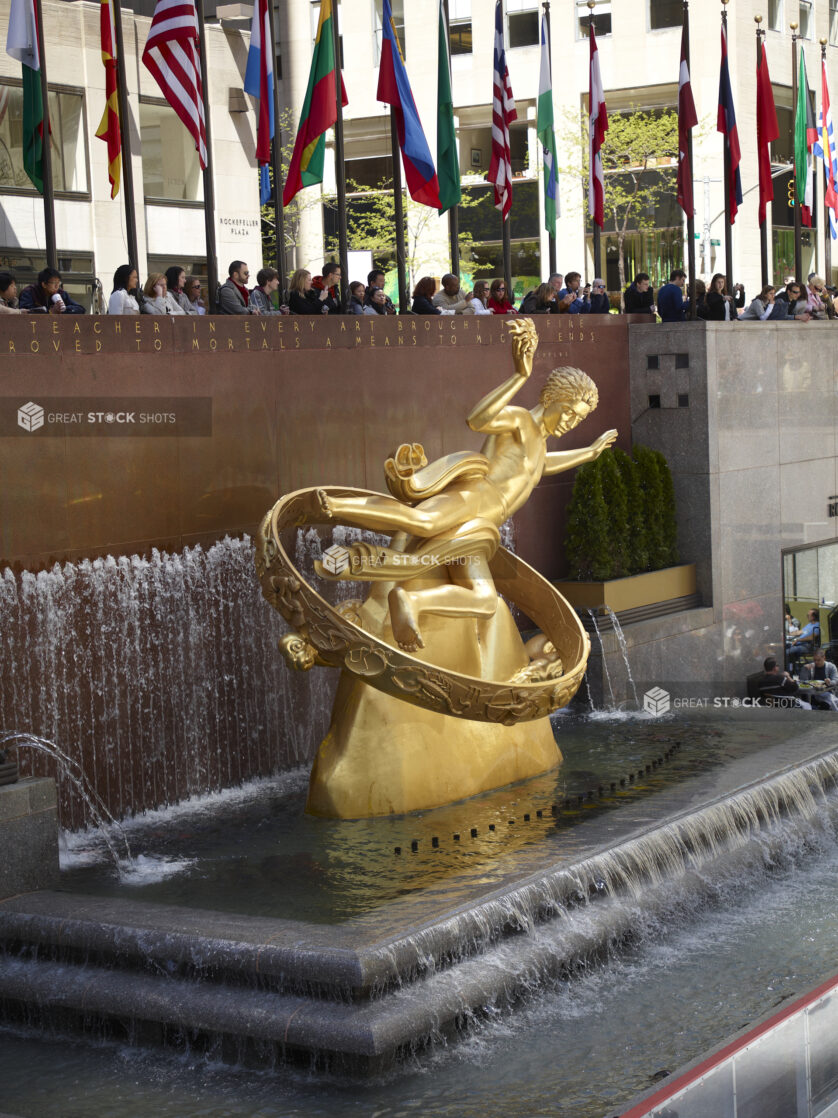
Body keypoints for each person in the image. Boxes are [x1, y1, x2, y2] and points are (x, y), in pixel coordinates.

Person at [318, 318, 617, 651]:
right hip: (474, 498)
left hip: (480, 529)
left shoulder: (540, 445)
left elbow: (543, 467)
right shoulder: (519, 421)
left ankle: (412, 602)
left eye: (577, 419)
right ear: (550, 399)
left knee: (485, 600)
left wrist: (588, 454)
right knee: (421, 520)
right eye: (567, 412)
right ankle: (335, 504)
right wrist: (520, 375)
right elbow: (478, 419)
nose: (569, 422)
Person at [18, 267, 85, 314]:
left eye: (58, 283)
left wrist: (62, 309)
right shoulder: (29, 292)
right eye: (54, 283)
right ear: (44, 284)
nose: (57, 286)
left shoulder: (61, 293)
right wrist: (50, 312)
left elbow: (80, 309)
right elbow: (25, 312)